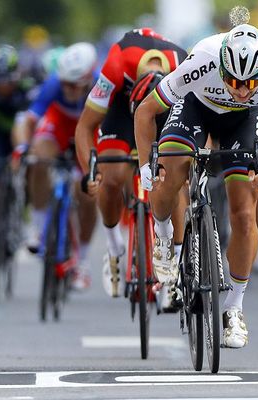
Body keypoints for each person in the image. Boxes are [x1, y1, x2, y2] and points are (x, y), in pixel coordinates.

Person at [134, 21, 258, 348]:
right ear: (221, 66)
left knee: (245, 212)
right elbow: (145, 112)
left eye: (250, 82)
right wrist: (144, 165)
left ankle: (233, 308)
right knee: (172, 169)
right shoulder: (201, 61)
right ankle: (164, 236)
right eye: (234, 80)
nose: (241, 89)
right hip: (196, 108)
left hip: (243, 121)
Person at [75, 28, 188, 301]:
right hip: (121, 111)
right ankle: (114, 249)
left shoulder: (183, 68)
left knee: (175, 181)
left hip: (165, 105)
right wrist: (92, 172)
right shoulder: (116, 65)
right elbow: (85, 127)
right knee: (111, 176)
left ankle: (178, 261)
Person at [14, 42, 98, 290]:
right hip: (60, 124)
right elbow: (27, 122)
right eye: (64, 84)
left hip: (90, 127)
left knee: (89, 191)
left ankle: (81, 260)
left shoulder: (101, 84)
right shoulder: (54, 84)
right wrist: (22, 149)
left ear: (87, 79)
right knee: (39, 158)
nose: (68, 89)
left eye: (74, 85)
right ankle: (39, 227)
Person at [0, 44, 33, 277]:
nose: (3, 85)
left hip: (22, 137)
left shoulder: (27, 92)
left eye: (7, 79)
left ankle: (26, 213)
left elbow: (33, 123)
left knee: (31, 172)